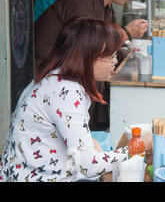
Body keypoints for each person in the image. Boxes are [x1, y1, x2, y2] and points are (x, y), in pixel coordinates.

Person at [0, 18, 153, 182]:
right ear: (88, 57)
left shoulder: (54, 76)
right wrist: (139, 146)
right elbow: (89, 166)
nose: (115, 61)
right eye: (111, 55)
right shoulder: (65, 91)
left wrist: (88, 143)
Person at [34, 0, 148, 130]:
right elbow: (93, 47)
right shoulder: (81, 0)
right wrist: (126, 33)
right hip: (49, 72)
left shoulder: (105, 7)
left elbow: (108, 47)